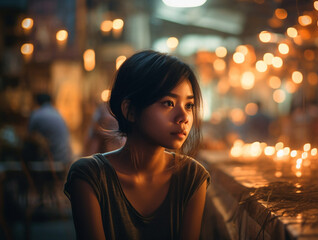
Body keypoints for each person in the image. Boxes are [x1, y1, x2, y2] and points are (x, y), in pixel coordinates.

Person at [64, 50, 210, 240]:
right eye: (168, 103)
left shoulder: (192, 176)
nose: (184, 118)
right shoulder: (89, 177)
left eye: (189, 105)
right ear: (130, 110)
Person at [28, 93, 72, 163]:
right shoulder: (57, 113)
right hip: (64, 157)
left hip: (52, 158)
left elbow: (29, 135)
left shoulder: (37, 114)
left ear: (37, 102)